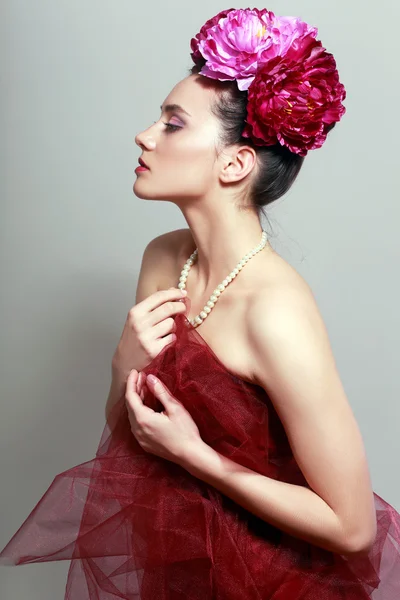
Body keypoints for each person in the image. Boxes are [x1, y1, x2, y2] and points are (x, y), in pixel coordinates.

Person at [1, 7, 400, 599]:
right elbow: (129, 437)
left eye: (173, 123)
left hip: (269, 578)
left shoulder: (276, 310)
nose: (145, 134)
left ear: (235, 163)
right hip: (175, 562)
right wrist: (123, 363)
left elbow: (350, 527)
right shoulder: (163, 258)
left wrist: (199, 458)